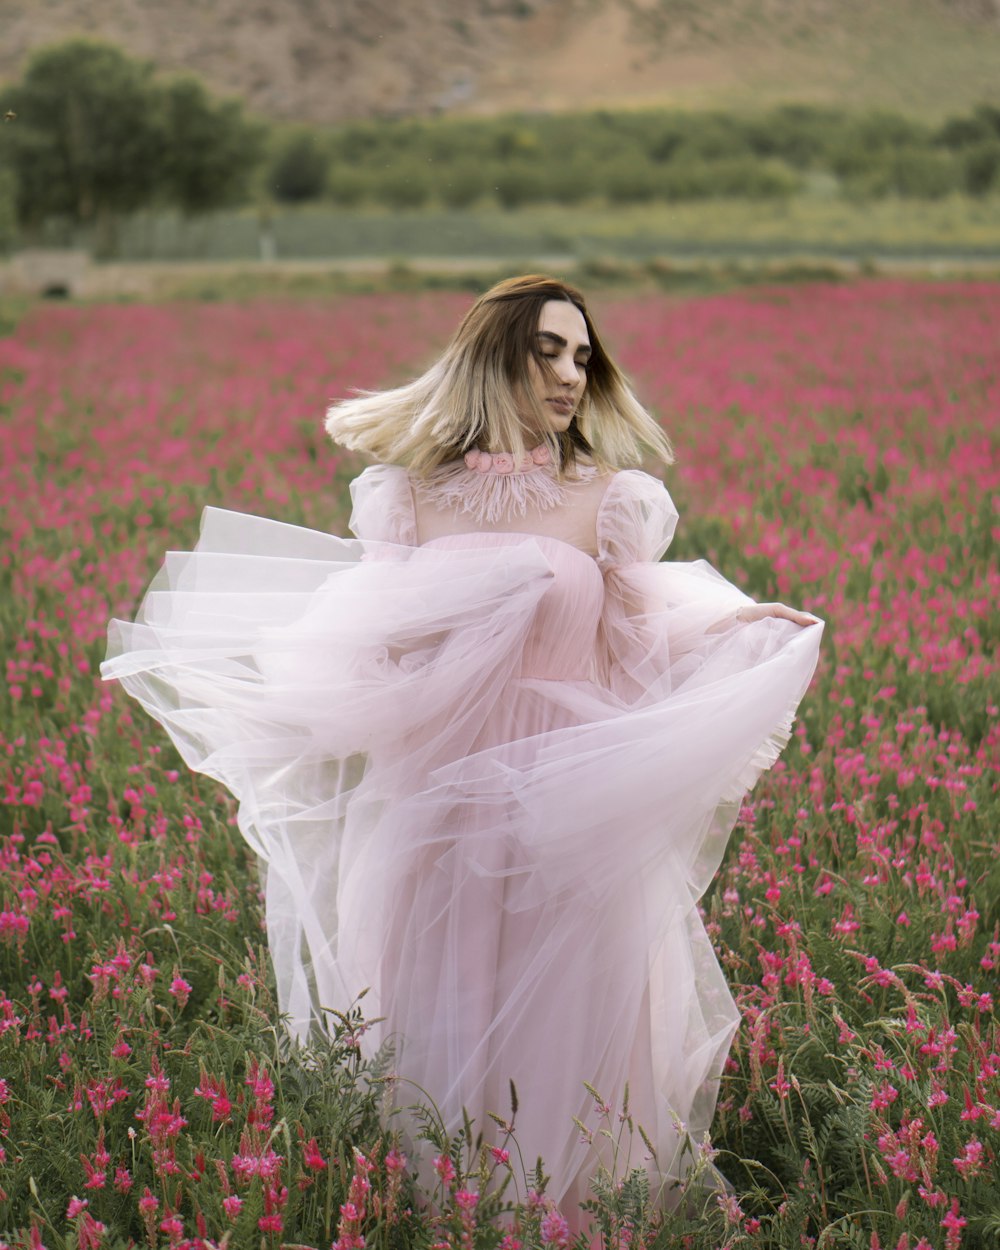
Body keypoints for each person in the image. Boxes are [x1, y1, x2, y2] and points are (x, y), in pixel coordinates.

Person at [102, 274, 822, 1219]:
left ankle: (560, 1217)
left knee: (569, 1020)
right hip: (432, 810)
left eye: (582, 355)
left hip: (565, 809)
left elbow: (641, 632)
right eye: (548, 351)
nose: (573, 373)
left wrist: (737, 626)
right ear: (494, 358)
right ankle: (432, 1217)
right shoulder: (406, 501)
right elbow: (361, 650)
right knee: (429, 1015)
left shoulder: (607, 500)